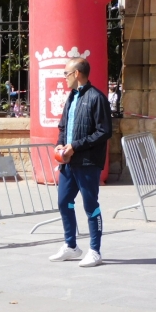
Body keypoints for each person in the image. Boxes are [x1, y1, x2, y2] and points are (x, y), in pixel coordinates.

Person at [49, 57, 112, 268]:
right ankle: (71, 246)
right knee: (64, 202)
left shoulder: (97, 98)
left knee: (90, 205)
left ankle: (95, 250)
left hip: (88, 163)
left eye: (66, 73)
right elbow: (63, 126)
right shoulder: (71, 97)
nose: (64, 78)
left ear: (77, 74)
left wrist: (75, 145)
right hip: (68, 162)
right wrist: (60, 144)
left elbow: (104, 131)